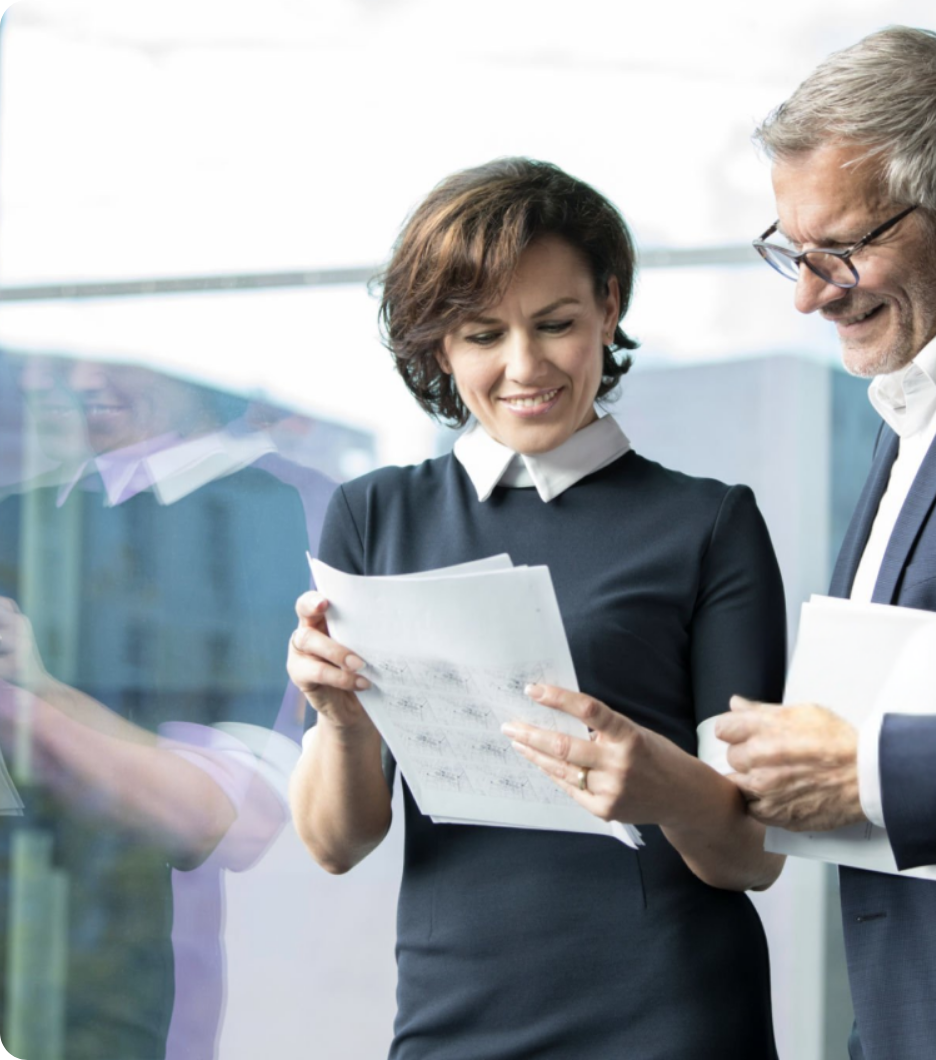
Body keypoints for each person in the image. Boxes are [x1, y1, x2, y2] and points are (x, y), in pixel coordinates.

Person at [287, 157, 788, 1060]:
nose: (525, 366)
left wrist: (661, 785)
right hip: (453, 1015)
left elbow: (752, 858)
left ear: (608, 305)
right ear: (440, 345)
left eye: (555, 323)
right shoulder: (373, 516)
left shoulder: (709, 524)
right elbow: (336, 844)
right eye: (483, 334)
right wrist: (340, 717)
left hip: (669, 1017)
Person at [714, 26, 936, 1060]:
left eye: (841, 247)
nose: (808, 292)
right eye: (791, 250)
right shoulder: (923, 399)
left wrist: (868, 773)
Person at [0, 355, 308, 1059]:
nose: (81, 383)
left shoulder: (272, 511)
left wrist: (32, 699)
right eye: (67, 361)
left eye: (112, 359)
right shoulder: (21, 513)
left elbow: (232, 813)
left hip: (142, 943)